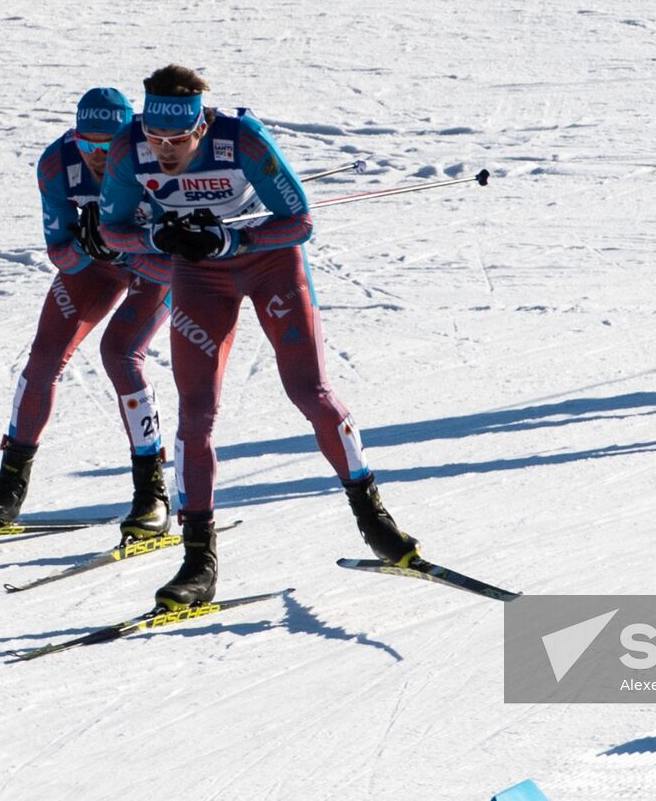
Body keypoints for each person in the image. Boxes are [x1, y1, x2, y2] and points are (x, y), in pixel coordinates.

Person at [99, 64, 420, 609]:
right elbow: (112, 229)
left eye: (178, 140)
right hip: (198, 275)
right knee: (195, 412)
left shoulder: (240, 138)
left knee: (307, 390)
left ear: (202, 127)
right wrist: (156, 233)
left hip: (269, 264)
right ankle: (198, 559)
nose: (165, 151)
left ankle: (371, 513)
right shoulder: (130, 150)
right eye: (156, 139)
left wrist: (227, 238)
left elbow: (300, 221)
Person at [0, 88, 174, 541]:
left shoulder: (155, 156)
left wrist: (129, 241)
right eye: (86, 143)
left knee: (120, 354)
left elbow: (179, 259)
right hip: (98, 266)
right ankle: (9, 487)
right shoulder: (58, 162)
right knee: (44, 356)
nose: (97, 156)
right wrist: (83, 244)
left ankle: (152, 493)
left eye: (108, 146)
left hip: (154, 268)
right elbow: (60, 254)